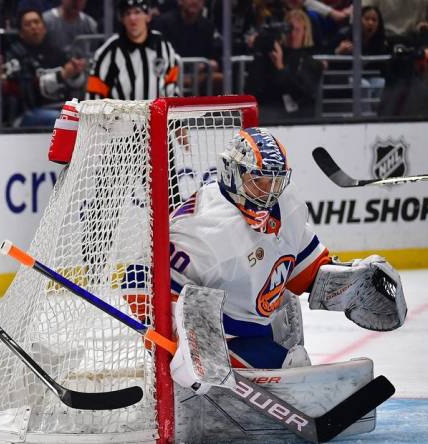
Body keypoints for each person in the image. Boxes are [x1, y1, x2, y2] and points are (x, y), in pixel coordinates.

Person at [167, 128, 406, 392]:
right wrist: (188, 342)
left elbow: (301, 263)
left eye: (275, 181)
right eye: (259, 181)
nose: (269, 193)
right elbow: (140, 277)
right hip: (223, 338)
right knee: (294, 373)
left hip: (262, 325)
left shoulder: (287, 202)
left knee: (294, 356)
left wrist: (347, 281)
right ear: (231, 173)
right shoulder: (201, 231)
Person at [6, 8, 87, 126]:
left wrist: (76, 73)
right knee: (63, 118)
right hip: (29, 112)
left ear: (44, 28)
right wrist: (61, 75)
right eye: (28, 24)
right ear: (21, 33)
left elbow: (75, 86)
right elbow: (26, 91)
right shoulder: (15, 54)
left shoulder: (56, 51)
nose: (34, 27)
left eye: (37, 22)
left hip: (61, 107)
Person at [86, 0, 181, 100]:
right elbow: (94, 96)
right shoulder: (109, 51)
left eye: (137, 12)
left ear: (148, 16)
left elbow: (172, 89)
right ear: (122, 19)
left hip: (157, 114)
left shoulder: (163, 46)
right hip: (119, 115)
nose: (132, 18)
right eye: (127, 13)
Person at [246, 9, 324, 120]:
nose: (292, 35)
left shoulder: (311, 63)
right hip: (268, 109)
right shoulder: (273, 54)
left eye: (297, 30)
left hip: (297, 115)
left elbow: (302, 95)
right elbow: (252, 90)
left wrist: (280, 67)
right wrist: (261, 51)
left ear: (305, 33)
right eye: (289, 30)